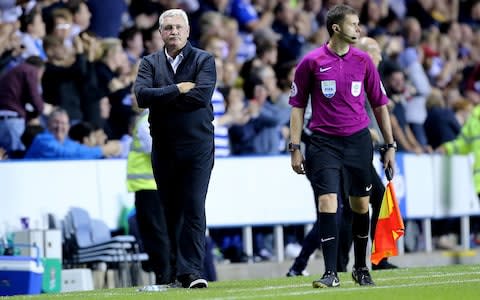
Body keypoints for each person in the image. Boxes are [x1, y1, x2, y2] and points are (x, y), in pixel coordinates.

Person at [288, 4, 396, 288]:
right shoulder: (310, 62)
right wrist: (295, 146)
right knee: (328, 202)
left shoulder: (364, 62)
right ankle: (331, 272)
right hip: (323, 142)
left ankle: (361, 268)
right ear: (336, 28)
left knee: (360, 205)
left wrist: (390, 145)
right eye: (354, 24)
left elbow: (380, 105)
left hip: (358, 141)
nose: (358, 29)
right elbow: (297, 107)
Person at [133, 9, 216, 289]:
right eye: (168, 27)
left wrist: (163, 96)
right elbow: (142, 96)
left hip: (197, 146)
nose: (174, 32)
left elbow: (200, 96)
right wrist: (178, 88)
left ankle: (192, 271)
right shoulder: (149, 62)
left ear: (188, 30)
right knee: (171, 211)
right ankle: (174, 272)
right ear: (160, 33)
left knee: (193, 205)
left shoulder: (204, 59)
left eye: (178, 27)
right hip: (164, 147)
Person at [24, 108, 120, 159]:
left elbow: (80, 150)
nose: (60, 127)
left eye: (63, 123)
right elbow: (65, 154)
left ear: (68, 126)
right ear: (48, 124)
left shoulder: (67, 143)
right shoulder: (42, 140)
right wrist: (102, 150)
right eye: (56, 122)